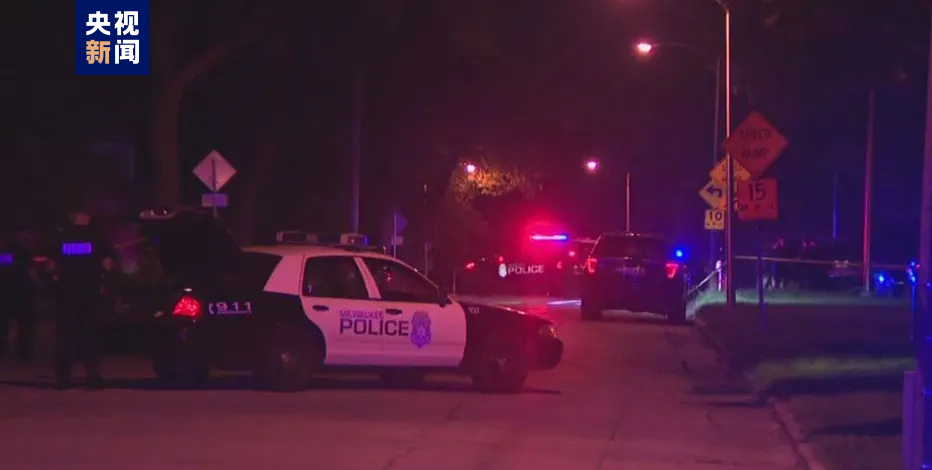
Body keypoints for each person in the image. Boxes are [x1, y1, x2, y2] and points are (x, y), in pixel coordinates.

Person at [52, 211, 115, 390]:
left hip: (66, 294)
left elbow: (51, 266)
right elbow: (107, 265)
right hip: (90, 293)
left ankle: (63, 379)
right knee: (90, 336)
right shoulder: (97, 238)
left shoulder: (61, 238)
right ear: (87, 218)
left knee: (65, 336)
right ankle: (92, 378)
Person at [0, 229, 36, 361]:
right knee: (24, 324)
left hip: (6, 292)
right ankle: (24, 353)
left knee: (4, 324)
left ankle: (5, 351)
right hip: (21, 293)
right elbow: (29, 272)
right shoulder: (23, 254)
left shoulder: (7, 252)